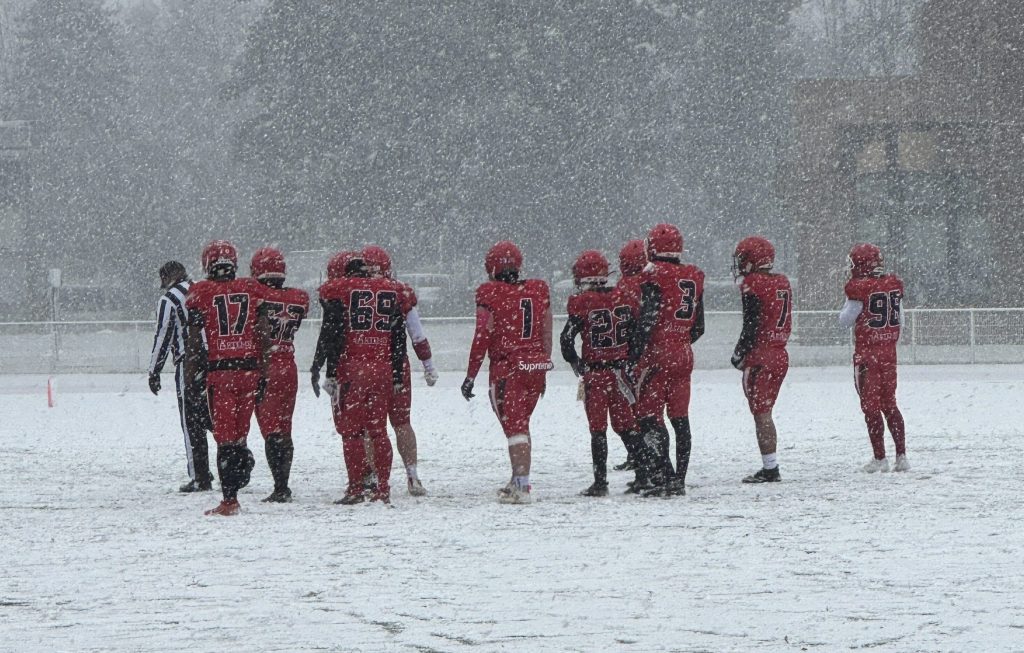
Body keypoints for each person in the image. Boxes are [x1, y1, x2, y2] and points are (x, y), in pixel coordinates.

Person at [462, 241, 552, 504]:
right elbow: (546, 332)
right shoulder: (537, 290)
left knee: (516, 428)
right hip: (533, 365)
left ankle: (522, 485)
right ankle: (517, 479)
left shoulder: (491, 294)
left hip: (508, 367)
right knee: (521, 426)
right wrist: (543, 365)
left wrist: (470, 374)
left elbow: (482, 336)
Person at [184, 240, 271, 516]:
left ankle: (230, 498)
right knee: (239, 435)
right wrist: (264, 369)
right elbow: (264, 333)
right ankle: (240, 466)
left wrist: (191, 376)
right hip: (248, 369)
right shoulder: (251, 289)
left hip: (221, 371)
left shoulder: (202, 292)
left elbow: (196, 343)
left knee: (224, 438)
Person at [313, 252, 407, 505]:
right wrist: (397, 371)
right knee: (379, 431)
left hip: (353, 368)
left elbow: (333, 332)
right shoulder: (390, 290)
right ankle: (383, 487)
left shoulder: (340, 290)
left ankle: (356, 487)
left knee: (352, 433)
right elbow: (399, 335)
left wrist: (329, 371)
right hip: (383, 367)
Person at [629, 223, 705, 497]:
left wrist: (634, 353)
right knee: (680, 419)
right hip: (684, 352)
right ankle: (679, 480)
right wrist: (678, 339)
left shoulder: (654, 275)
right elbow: (699, 327)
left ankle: (666, 475)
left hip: (658, 353)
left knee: (649, 418)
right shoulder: (693, 276)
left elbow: (648, 319)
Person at [560, 250, 642, 497]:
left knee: (598, 430)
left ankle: (600, 482)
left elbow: (566, 339)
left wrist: (576, 361)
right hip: (619, 373)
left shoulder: (581, 303)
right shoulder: (624, 296)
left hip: (596, 374)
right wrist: (628, 359)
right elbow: (636, 335)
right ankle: (644, 473)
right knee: (625, 426)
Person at [363, 245, 438, 497]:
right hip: (396, 366)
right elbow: (417, 334)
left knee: (371, 427)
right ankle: (412, 476)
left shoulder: (353, 291)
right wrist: (427, 364)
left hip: (366, 365)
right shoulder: (399, 292)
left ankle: (373, 475)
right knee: (402, 422)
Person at [839, 243, 909, 473]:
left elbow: (845, 320)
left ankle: (880, 457)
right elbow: (901, 322)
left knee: (871, 407)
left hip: (868, 354)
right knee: (890, 404)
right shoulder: (892, 285)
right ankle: (901, 456)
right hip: (889, 352)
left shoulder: (860, 288)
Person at [147, 260, 214, 493]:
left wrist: (154, 370)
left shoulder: (169, 300)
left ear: (167, 278)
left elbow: (163, 335)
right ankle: (237, 461)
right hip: (216, 359)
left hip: (189, 362)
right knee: (217, 416)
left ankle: (200, 476)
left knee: (191, 422)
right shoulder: (202, 289)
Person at [730, 236, 792, 483]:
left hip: (762, 354)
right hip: (780, 352)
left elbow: (752, 323)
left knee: (762, 413)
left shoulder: (754, 283)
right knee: (765, 412)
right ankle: (770, 465)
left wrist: (739, 352)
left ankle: (770, 468)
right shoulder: (782, 281)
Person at [249, 247, 309, 503]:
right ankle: (283, 482)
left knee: (271, 429)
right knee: (285, 428)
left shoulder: (255, 294)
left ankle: (280, 486)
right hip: (289, 365)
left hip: (266, 364)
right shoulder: (298, 298)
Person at [612, 238, 647, 473]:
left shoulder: (623, 288)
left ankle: (638, 454)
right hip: (648, 353)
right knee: (643, 408)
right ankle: (642, 454)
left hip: (626, 354)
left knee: (627, 410)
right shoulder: (651, 282)